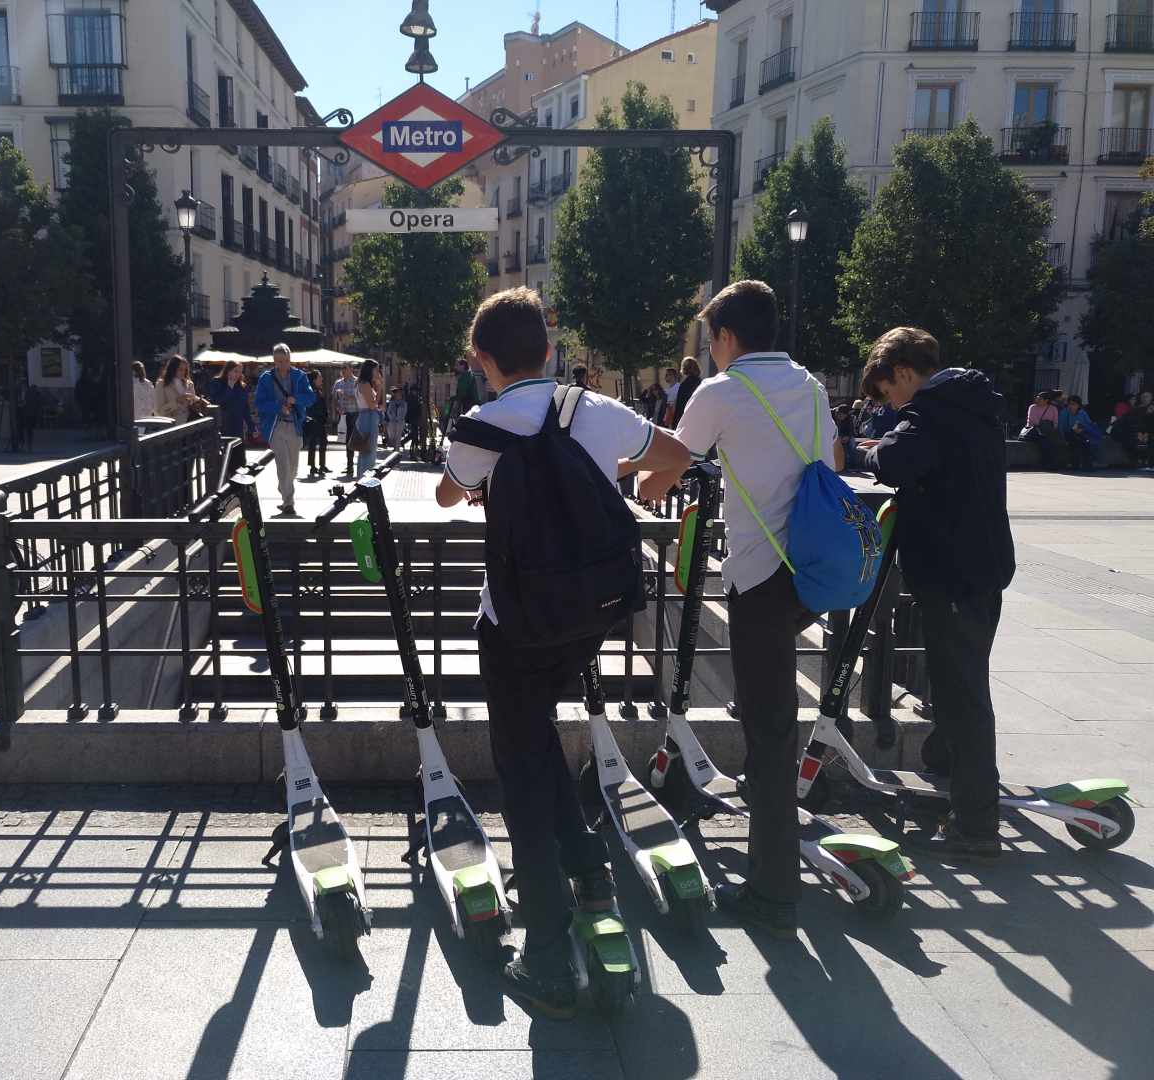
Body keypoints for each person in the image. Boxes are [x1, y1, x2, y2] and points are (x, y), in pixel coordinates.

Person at [434, 287, 690, 1017]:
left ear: (483, 359)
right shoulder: (594, 410)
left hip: (514, 623)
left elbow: (452, 496)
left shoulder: (479, 427)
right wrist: (613, 497)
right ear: (549, 350)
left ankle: (545, 947)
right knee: (537, 735)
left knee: (520, 766)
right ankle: (589, 869)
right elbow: (673, 455)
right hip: (591, 614)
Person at [640, 279, 841, 940]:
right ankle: (774, 860)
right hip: (811, 575)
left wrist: (635, 476)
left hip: (760, 579)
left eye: (712, 339)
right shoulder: (810, 386)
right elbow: (831, 460)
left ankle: (774, 892)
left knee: (772, 732)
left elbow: (664, 466)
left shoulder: (722, 391)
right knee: (770, 717)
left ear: (726, 337)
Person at [858, 327, 1016, 860]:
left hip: (952, 570)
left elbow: (899, 460)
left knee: (964, 692)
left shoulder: (932, 411)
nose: (890, 405)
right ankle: (945, 764)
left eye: (887, 392)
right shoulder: (969, 404)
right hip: (984, 566)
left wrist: (869, 452)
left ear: (902, 372)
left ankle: (977, 825)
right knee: (962, 677)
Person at [254, 343, 316, 515]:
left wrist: (296, 400)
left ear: (290, 359)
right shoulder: (266, 378)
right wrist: (278, 407)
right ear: (274, 360)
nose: (282, 364)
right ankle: (288, 502)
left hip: (295, 425)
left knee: (293, 468)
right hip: (276, 426)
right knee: (283, 465)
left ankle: (284, 486)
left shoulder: (300, 376)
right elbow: (259, 403)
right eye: (279, 361)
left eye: (285, 360)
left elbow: (311, 398)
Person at [207, 360, 253, 442]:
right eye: (235, 371)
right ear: (228, 370)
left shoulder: (242, 386)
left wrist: (251, 425)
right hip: (223, 424)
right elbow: (216, 402)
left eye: (240, 372)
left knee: (238, 451)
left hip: (237, 426)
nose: (238, 375)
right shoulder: (216, 382)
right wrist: (229, 387)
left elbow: (245, 408)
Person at [353, 360, 383, 477]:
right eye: (376, 369)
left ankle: (361, 478)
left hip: (364, 417)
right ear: (369, 370)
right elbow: (372, 405)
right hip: (368, 417)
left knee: (364, 450)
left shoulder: (360, 383)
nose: (378, 372)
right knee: (369, 451)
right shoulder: (364, 384)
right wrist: (379, 388)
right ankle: (365, 479)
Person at [1060, 394, 1103, 470]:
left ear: (1078, 405)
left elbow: (1089, 424)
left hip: (1081, 434)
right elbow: (1062, 427)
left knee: (1085, 443)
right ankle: (1075, 464)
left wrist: (1082, 430)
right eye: (1069, 404)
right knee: (1076, 442)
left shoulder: (1083, 413)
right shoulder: (1064, 412)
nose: (1071, 406)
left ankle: (1087, 465)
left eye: (1073, 404)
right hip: (1068, 434)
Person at [333, 363, 359, 477]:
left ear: (351, 369)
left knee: (354, 440)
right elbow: (334, 398)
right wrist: (337, 408)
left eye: (345, 368)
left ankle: (355, 466)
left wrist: (345, 395)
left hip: (355, 414)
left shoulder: (357, 382)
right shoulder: (338, 383)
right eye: (342, 368)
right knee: (347, 441)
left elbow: (359, 398)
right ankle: (349, 466)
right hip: (343, 415)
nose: (343, 370)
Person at [156, 355, 200, 421]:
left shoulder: (189, 384)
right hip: (173, 426)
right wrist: (177, 402)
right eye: (180, 369)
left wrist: (198, 401)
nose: (183, 372)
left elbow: (193, 402)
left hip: (190, 424)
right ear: (172, 369)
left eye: (185, 370)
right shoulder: (162, 384)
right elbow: (159, 412)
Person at [303, 368, 329, 477]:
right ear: (314, 380)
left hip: (320, 421)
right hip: (314, 421)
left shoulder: (319, 390)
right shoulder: (311, 391)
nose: (322, 379)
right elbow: (310, 407)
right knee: (313, 444)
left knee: (323, 443)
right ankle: (313, 466)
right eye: (319, 377)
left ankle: (322, 465)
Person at [668, 356, 703, 428]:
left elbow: (679, 406)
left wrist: (675, 424)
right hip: (698, 420)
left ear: (684, 369)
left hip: (685, 421)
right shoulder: (701, 383)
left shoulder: (684, 385)